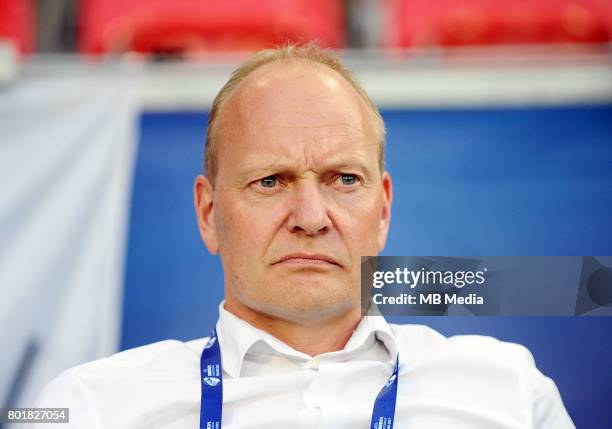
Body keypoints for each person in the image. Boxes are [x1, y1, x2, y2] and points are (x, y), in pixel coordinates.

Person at [34, 43, 575, 428]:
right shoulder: (89, 408)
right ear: (208, 212)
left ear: (383, 209)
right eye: (271, 181)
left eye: (344, 179)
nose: (312, 217)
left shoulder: (510, 391)